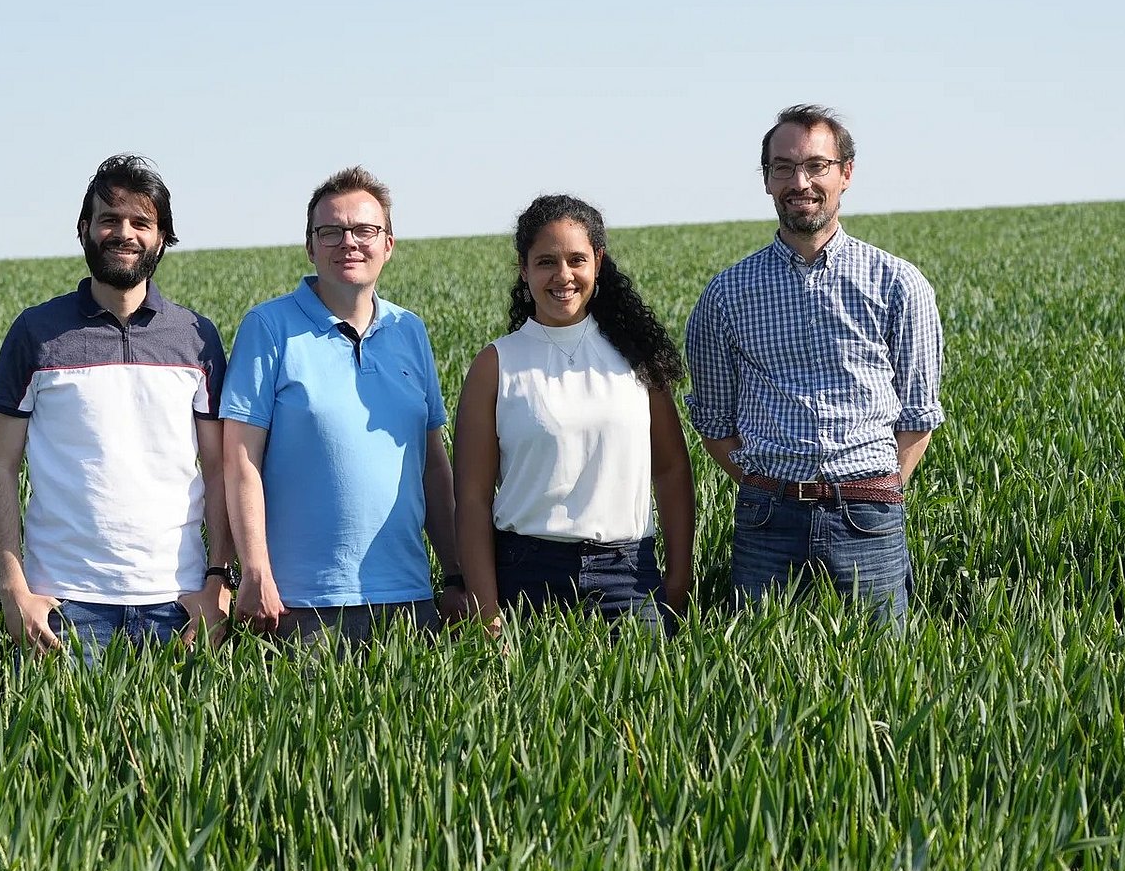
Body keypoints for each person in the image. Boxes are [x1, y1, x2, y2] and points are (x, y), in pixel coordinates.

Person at [684, 104, 944, 624]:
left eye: (816, 166)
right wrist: (769, 488)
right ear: (766, 180)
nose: (799, 181)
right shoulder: (726, 295)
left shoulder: (897, 284)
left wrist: (880, 490)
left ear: (845, 174)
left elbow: (918, 416)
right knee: (758, 675)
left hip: (869, 515)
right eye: (783, 167)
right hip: (767, 520)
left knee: (882, 675)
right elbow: (713, 423)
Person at [0, 155, 234, 665]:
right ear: (84, 229)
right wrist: (14, 589)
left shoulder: (197, 338)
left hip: (178, 603)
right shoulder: (35, 333)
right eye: (109, 219)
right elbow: (0, 465)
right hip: (62, 608)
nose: (125, 233)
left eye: (141, 222)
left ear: (162, 237)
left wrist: (219, 585)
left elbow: (221, 466)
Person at [220, 166, 460, 645]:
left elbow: (432, 465)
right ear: (310, 246)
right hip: (300, 605)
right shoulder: (269, 329)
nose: (348, 242)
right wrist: (255, 572)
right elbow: (239, 461)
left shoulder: (409, 331)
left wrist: (454, 574)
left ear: (388, 244)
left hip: (408, 599)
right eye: (330, 232)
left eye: (364, 230)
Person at [450, 195, 695, 633]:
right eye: (546, 262)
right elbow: (471, 498)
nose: (563, 275)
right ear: (524, 271)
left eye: (576, 260)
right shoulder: (496, 365)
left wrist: (678, 579)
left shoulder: (636, 358)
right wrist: (487, 614)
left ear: (597, 263)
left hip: (629, 576)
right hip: (523, 576)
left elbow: (674, 469)